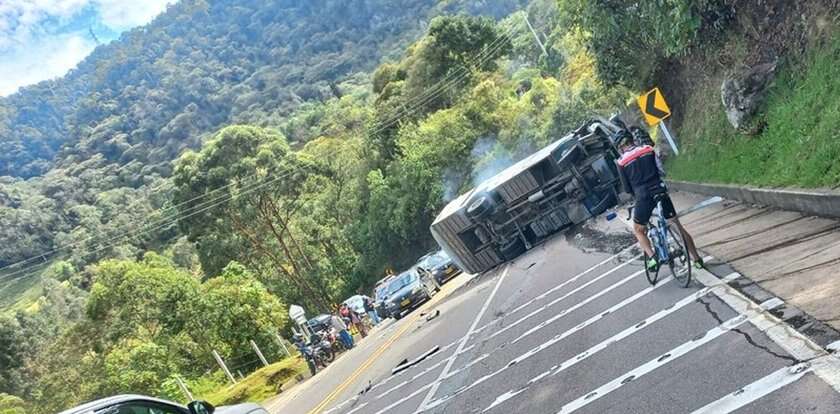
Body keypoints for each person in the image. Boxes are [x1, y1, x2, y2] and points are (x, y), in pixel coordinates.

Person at [614, 129, 703, 271]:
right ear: (632, 140)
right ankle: (697, 259)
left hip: (643, 197)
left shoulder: (621, 162)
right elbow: (661, 170)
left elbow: (627, 189)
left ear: (620, 147)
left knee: (638, 229)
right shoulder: (648, 150)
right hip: (659, 190)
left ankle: (652, 257)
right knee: (677, 226)